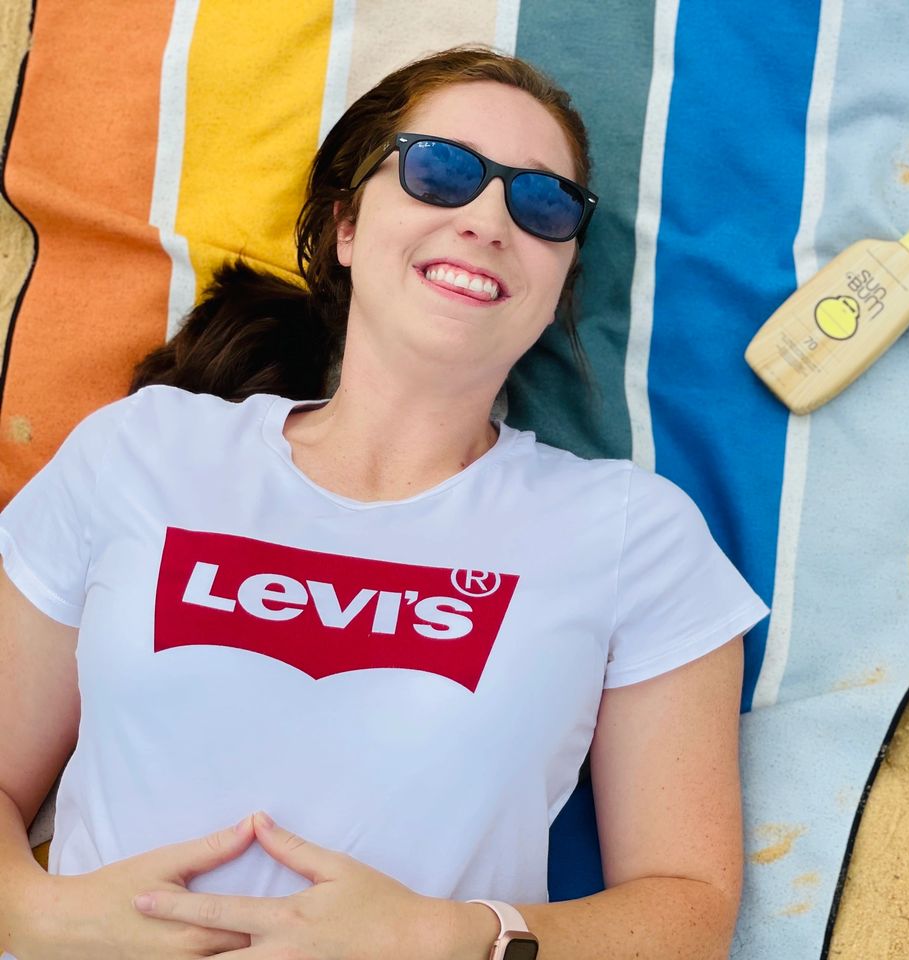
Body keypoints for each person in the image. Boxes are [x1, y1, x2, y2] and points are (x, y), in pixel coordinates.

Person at [0, 46, 768, 960]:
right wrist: (40, 916)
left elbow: (689, 912)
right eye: (440, 172)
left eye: (541, 205)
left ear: (560, 275)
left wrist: (450, 939)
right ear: (346, 226)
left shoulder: (632, 532)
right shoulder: (145, 448)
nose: (488, 218)